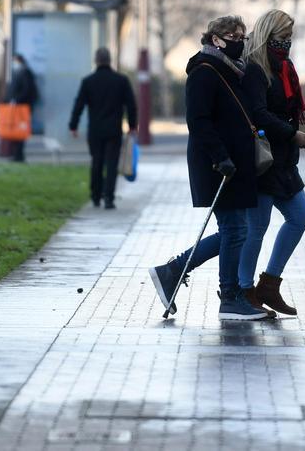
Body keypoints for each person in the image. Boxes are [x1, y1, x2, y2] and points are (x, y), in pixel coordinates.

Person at [148, 16, 269, 321]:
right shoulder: (204, 72)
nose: (240, 40)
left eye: (243, 35)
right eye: (233, 35)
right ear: (216, 39)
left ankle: (175, 270)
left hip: (234, 164)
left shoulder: (231, 71)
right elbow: (198, 121)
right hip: (218, 165)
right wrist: (220, 157)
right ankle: (227, 296)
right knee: (235, 229)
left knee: (235, 230)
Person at [238, 9, 305, 315]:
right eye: (283, 38)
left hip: (283, 161)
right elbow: (258, 112)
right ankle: (243, 291)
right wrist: (291, 133)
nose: (287, 44)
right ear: (269, 35)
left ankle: (269, 285)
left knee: (300, 217)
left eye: (290, 38)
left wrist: (292, 135)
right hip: (264, 158)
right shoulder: (256, 69)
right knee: (256, 227)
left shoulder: (285, 67)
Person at [68, 48, 137, 209]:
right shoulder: (121, 80)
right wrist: (132, 125)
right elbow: (131, 105)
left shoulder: (88, 81)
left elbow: (79, 104)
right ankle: (109, 198)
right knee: (112, 164)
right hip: (114, 129)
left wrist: (73, 125)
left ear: (96, 60)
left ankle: (95, 195)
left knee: (97, 162)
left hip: (95, 130)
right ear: (110, 60)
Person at [3, 54, 39, 163]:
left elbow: (27, 90)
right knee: (16, 131)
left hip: (22, 107)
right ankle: (16, 154)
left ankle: (19, 155)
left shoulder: (25, 72)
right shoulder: (20, 72)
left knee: (20, 131)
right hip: (17, 107)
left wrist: (16, 100)